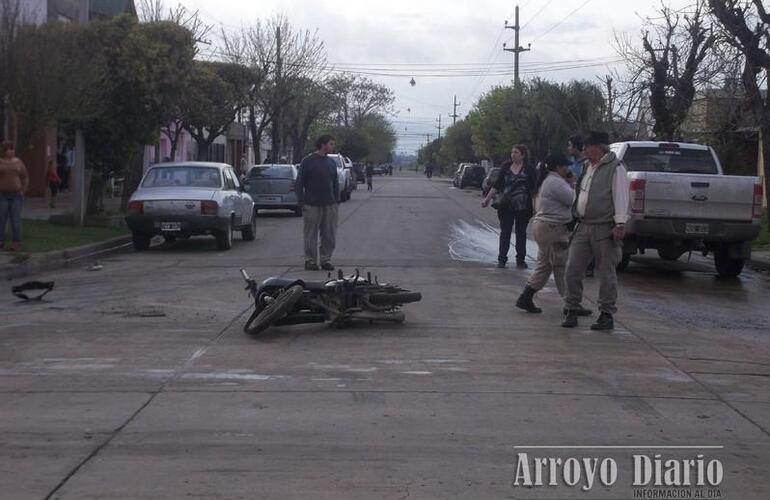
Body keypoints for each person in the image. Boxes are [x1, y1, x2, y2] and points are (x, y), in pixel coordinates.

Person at [562, 131, 630, 331]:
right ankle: (571, 308)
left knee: (606, 273)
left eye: (587, 146)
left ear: (599, 147)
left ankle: (606, 314)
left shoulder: (615, 168)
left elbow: (621, 197)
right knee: (572, 269)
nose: (584, 150)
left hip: (604, 227)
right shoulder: (586, 167)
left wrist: (619, 224)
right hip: (583, 224)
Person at [515, 154, 587, 314]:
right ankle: (571, 303)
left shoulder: (547, 180)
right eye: (565, 167)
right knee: (561, 266)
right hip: (552, 229)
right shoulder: (555, 182)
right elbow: (573, 200)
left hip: (544, 227)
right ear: (558, 167)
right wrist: (572, 183)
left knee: (545, 265)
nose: (568, 169)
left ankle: (526, 297)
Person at [481, 144, 536, 269]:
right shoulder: (506, 167)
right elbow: (497, 185)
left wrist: (536, 206)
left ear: (523, 155)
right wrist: (487, 199)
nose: (513, 155)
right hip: (506, 206)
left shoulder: (529, 169)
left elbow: (534, 189)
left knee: (521, 234)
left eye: (516, 152)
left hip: (523, 207)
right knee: (505, 233)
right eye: (512, 152)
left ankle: (520, 260)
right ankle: (502, 259)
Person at [296, 135, 340, 271]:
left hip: (329, 204)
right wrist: (301, 201)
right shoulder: (308, 161)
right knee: (311, 234)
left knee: (329, 234)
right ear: (323, 144)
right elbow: (299, 182)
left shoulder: (331, 163)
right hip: (311, 204)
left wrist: (336, 200)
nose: (333, 147)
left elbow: (335, 183)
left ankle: (326, 259)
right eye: (331, 144)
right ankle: (310, 261)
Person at [0, 141, 29, 252]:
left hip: (16, 196)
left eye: (12, 149)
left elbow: (25, 176)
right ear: (4, 150)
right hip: (2, 195)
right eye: (9, 149)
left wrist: (24, 189)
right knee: (1, 219)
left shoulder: (19, 162)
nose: (11, 151)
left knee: (15, 220)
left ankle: (16, 243)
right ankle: (1, 241)